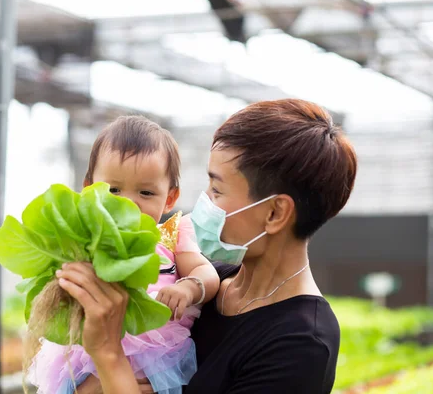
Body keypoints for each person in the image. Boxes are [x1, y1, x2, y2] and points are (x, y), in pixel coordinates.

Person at [56, 99, 358, 394]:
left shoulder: (300, 344)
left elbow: (112, 364)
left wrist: (108, 355)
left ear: (274, 213)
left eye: (216, 189)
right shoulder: (207, 282)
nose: (203, 202)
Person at [29, 116, 220, 394]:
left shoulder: (172, 234)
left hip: (156, 355)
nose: (128, 202)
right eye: (114, 190)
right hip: (89, 352)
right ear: (88, 187)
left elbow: (207, 273)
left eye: (145, 192)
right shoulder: (87, 240)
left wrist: (189, 288)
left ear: (170, 197)